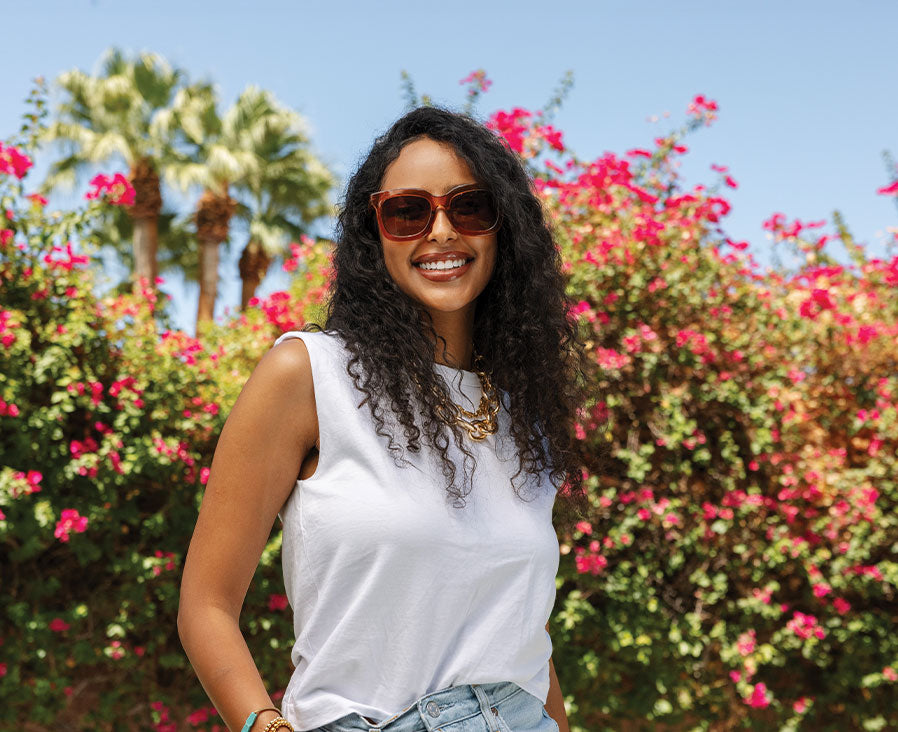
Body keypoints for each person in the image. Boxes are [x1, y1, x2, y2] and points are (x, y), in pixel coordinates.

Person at [178, 105, 589, 732]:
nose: (442, 231)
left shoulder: (520, 411)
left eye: (470, 207)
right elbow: (205, 605)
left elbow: (521, 634)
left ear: (503, 228)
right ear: (376, 234)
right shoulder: (309, 377)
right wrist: (265, 725)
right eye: (409, 211)